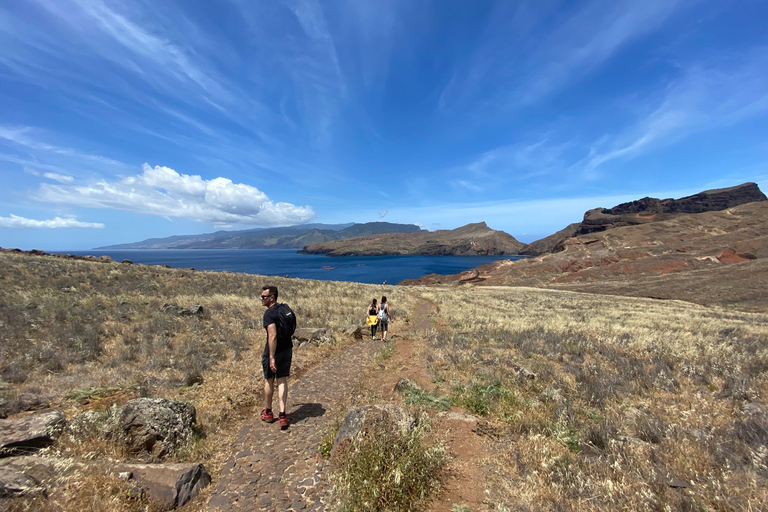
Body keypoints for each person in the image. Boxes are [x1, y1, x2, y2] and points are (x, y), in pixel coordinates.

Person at [260, 285, 292, 429]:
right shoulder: (283, 309)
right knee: (282, 380)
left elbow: (272, 336)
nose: (261, 299)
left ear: (271, 297)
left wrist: (271, 357)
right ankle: (283, 414)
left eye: (264, 297)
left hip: (274, 352)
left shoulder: (269, 314)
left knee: (269, 380)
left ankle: (268, 412)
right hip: (287, 349)